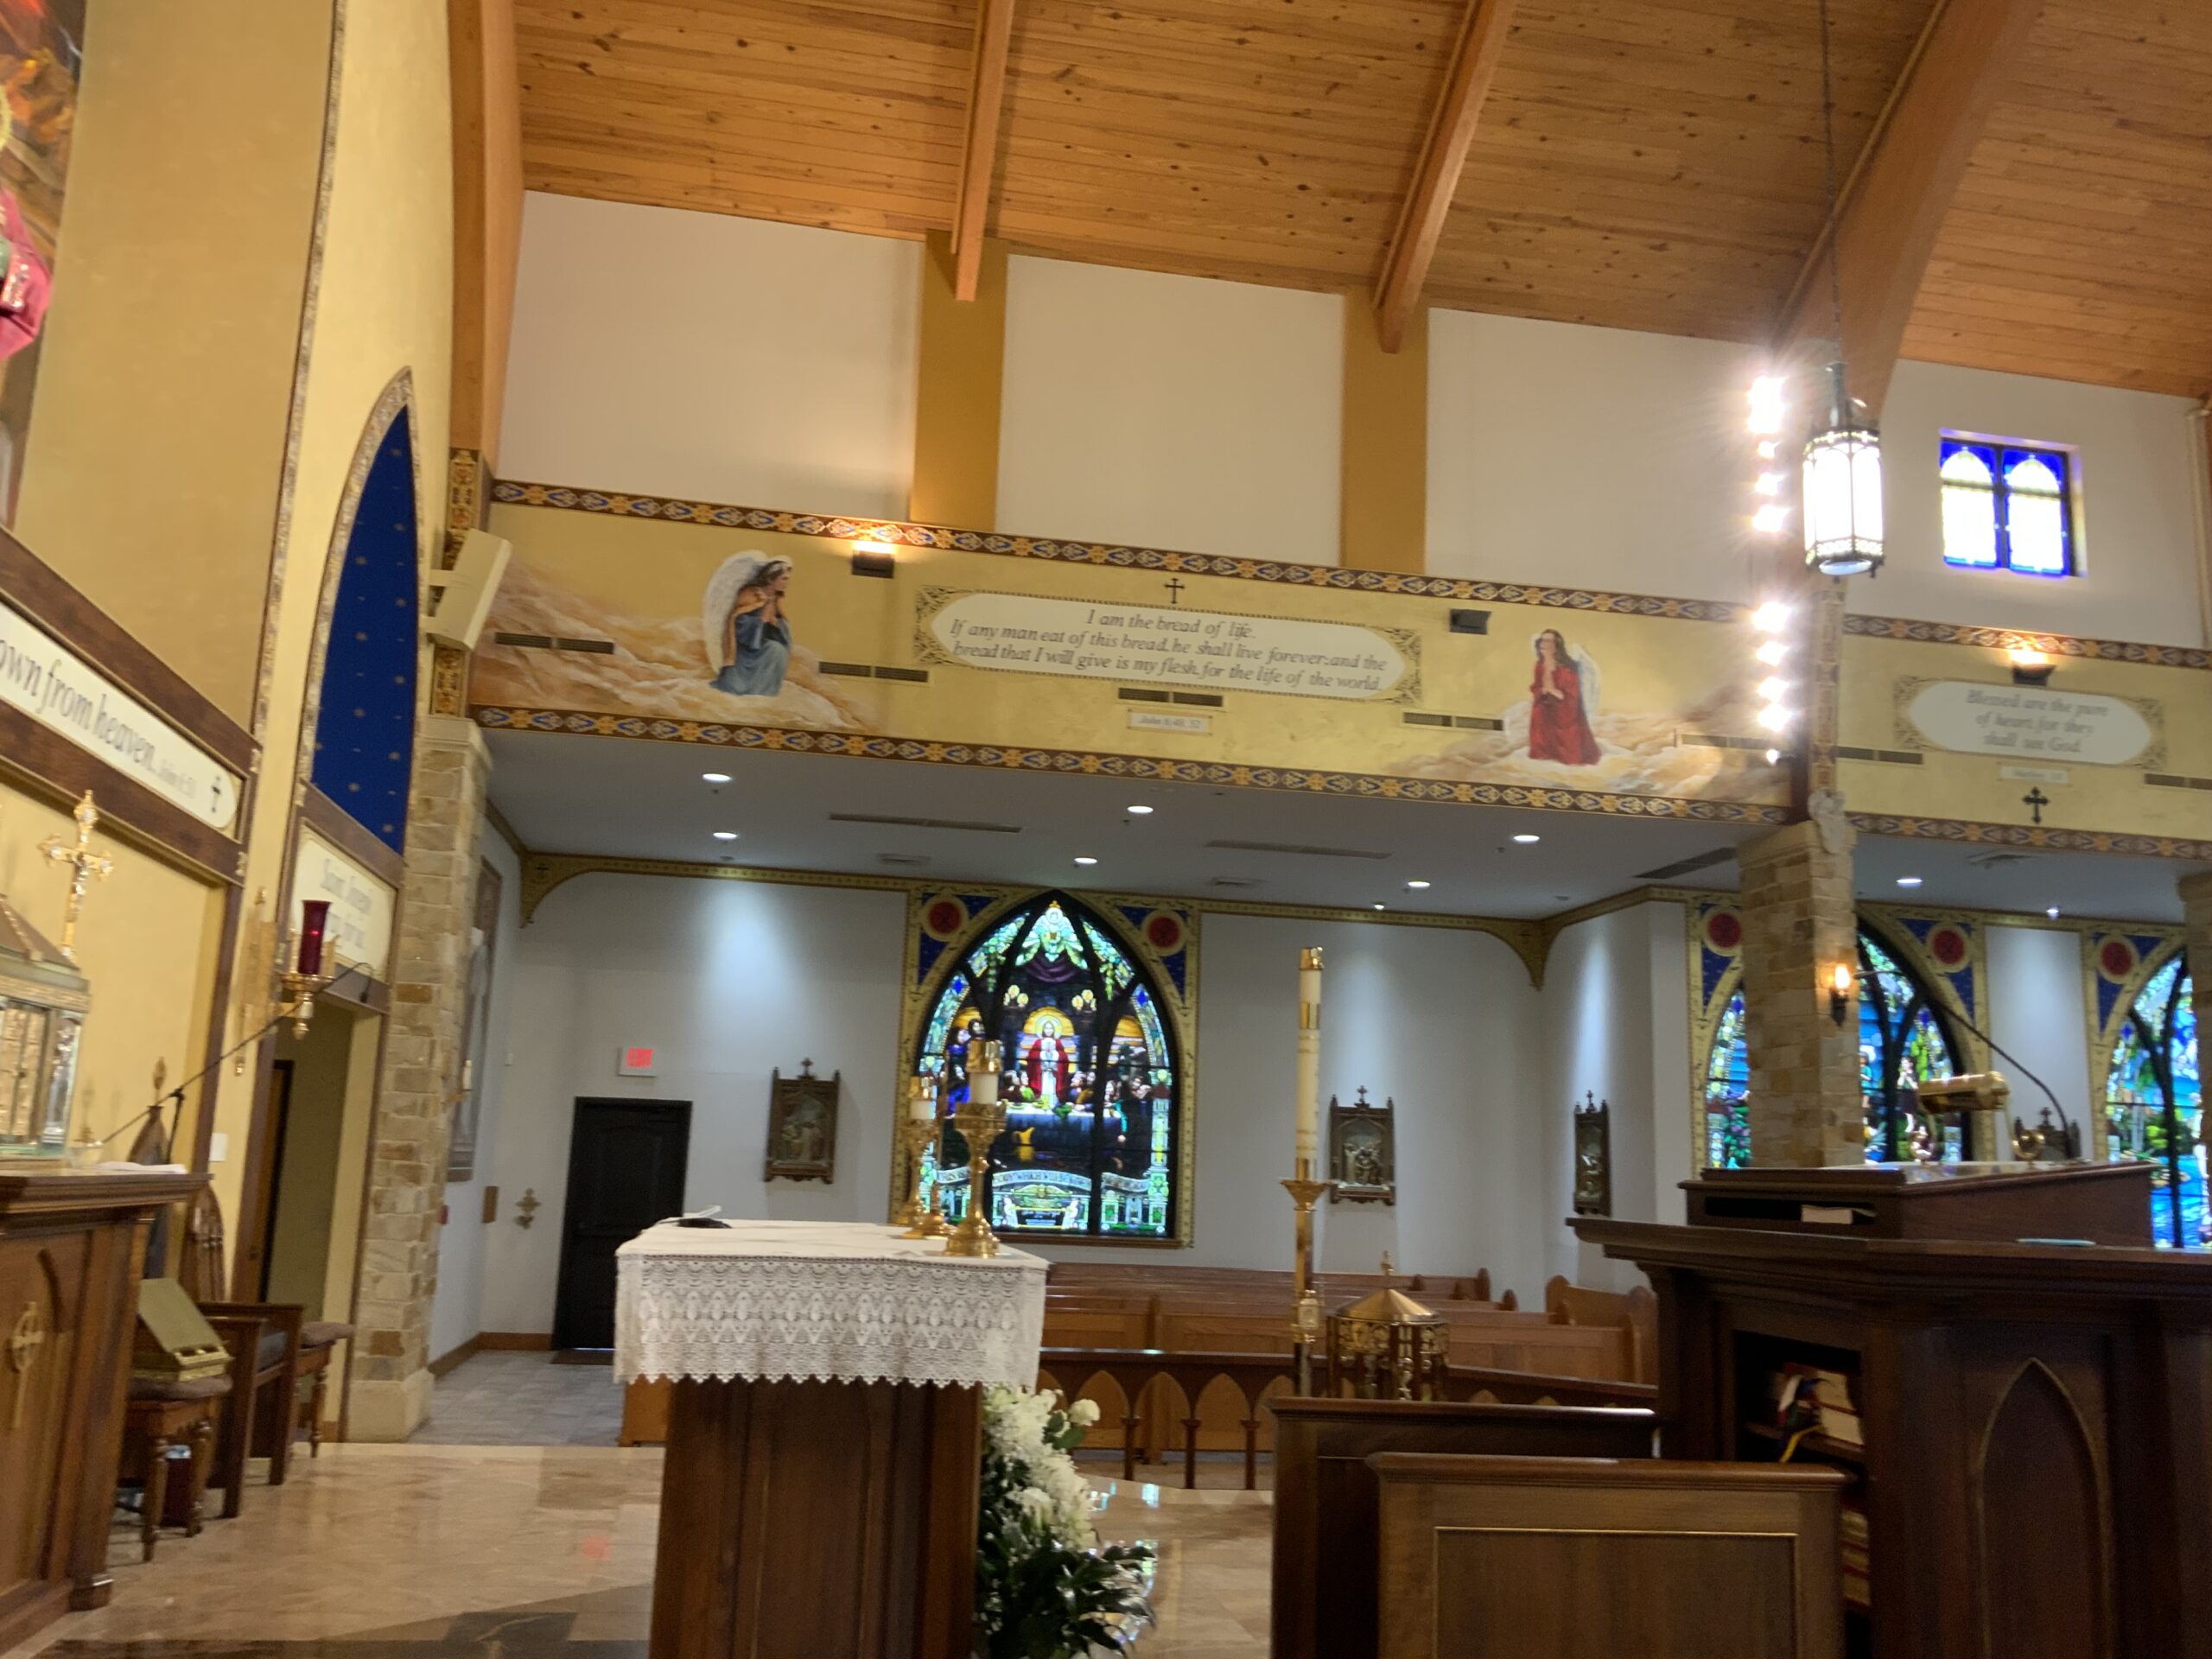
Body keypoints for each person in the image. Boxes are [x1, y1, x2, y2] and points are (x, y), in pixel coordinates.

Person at [700, 552, 795, 696]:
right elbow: (738, 622)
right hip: (744, 649)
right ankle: (750, 688)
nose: (786, 583)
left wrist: (776, 624)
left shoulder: (775, 598)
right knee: (775, 649)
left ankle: (764, 691)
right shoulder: (750, 593)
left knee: (778, 649)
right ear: (771, 579)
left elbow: (781, 625)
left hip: (761, 645)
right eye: (784, 579)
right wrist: (759, 621)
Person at [1527, 627, 1601, 766]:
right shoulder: (1539, 665)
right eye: (1542, 640)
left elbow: (1572, 696)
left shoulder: (1567, 668)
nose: (1543, 643)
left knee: (1570, 754)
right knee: (1539, 714)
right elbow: (1536, 686)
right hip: (1545, 704)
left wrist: (1552, 691)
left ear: (1556, 645)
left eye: (1548, 641)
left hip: (1564, 708)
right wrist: (1542, 690)